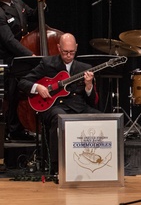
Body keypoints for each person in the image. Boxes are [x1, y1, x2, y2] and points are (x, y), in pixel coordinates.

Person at [18, 33, 100, 174]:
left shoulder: (85, 68)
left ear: (76, 48)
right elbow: (23, 82)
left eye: (71, 52)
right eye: (65, 52)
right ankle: (56, 167)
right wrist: (38, 88)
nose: (68, 55)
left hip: (78, 106)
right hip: (54, 107)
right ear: (58, 48)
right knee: (60, 118)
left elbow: (93, 101)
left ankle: (98, 163)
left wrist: (88, 86)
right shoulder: (47, 63)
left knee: (101, 118)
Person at [0, 0, 43, 141]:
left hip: (23, 56)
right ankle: (11, 130)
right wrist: (30, 54)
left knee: (23, 92)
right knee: (11, 95)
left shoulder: (17, 2)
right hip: (9, 60)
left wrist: (41, 4)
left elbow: (33, 15)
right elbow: (9, 41)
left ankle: (22, 127)